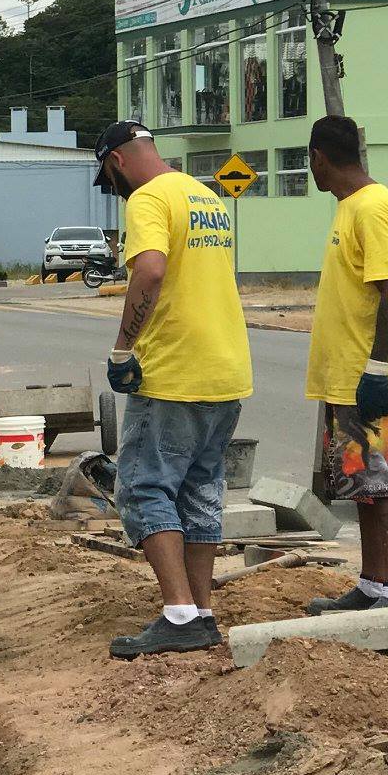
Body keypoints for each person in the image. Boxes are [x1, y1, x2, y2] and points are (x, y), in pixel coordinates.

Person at [93, 119, 254, 657]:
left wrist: (123, 348)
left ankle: (179, 614)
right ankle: (202, 611)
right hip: (225, 367)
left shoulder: (146, 199)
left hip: (175, 371)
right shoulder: (204, 195)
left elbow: (152, 271)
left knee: (143, 487)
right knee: (200, 490)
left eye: (108, 177)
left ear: (116, 161)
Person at [301, 114, 388, 613]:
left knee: (384, 485)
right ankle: (372, 584)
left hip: (366, 378)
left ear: (319, 159)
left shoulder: (372, 208)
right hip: (347, 378)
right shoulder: (353, 206)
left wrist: (376, 370)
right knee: (365, 487)